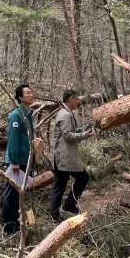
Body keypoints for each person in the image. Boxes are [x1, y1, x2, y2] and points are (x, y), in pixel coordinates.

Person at [49, 90, 93, 222]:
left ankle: (56, 214)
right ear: (70, 99)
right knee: (82, 178)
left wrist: (81, 131)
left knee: (60, 186)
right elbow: (68, 136)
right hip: (65, 157)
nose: (78, 102)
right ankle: (67, 206)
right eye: (77, 99)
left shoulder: (66, 113)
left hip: (65, 157)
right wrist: (84, 135)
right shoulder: (65, 115)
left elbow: (68, 133)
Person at [1, 84, 34, 236]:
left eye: (31, 92)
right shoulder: (16, 115)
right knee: (12, 193)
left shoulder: (28, 114)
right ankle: (8, 226)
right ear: (20, 97)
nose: (31, 95)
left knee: (19, 193)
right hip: (16, 161)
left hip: (25, 159)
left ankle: (16, 220)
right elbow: (12, 140)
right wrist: (14, 161)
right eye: (28, 93)